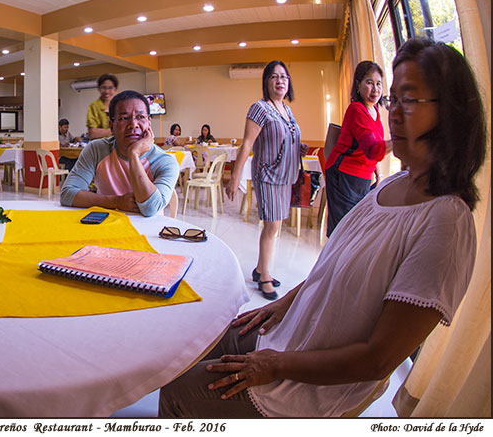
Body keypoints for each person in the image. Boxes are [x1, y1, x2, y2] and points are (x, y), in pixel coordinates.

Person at [160, 38, 485, 418]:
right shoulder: (395, 184)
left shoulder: (445, 223)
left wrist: (275, 365)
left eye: (408, 100)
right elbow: (334, 266)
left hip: (306, 383)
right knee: (194, 345)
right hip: (290, 329)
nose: (392, 113)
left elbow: (378, 360)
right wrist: (286, 303)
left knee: (177, 393)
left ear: (452, 113)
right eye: (392, 100)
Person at [225, 61, 307, 300]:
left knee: (276, 226)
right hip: (268, 175)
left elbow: (284, 137)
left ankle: (260, 268)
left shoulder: (287, 110)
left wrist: (297, 146)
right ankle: (264, 275)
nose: (280, 80)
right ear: (266, 82)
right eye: (274, 77)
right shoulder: (260, 108)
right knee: (271, 226)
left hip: (285, 176)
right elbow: (248, 144)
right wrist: (234, 177)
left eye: (284, 76)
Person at [61, 90, 179, 217]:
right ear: (112, 126)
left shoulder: (165, 161)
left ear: (149, 122)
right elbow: (68, 194)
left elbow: (150, 208)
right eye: (124, 118)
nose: (133, 124)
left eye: (140, 117)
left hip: (148, 232)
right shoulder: (96, 149)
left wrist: (133, 154)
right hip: (104, 226)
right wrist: (117, 202)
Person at [325, 61, 392, 237]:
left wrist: (378, 175)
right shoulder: (356, 110)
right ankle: (332, 264)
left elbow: (375, 146)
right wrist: (402, 140)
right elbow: (372, 149)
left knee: (355, 231)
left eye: (378, 84)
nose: (375, 89)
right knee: (343, 232)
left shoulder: (376, 111)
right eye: (369, 82)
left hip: (363, 179)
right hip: (344, 175)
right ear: (358, 85)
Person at [86, 73, 118, 139]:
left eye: (110, 88)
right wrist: (115, 130)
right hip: (98, 146)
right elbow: (92, 133)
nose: (107, 91)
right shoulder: (94, 106)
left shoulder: (119, 105)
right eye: (103, 87)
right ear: (98, 88)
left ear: (115, 90)